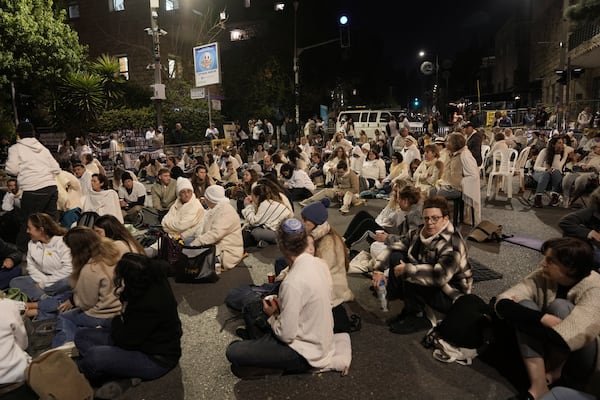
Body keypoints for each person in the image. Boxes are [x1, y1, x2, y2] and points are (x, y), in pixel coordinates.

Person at [226, 218, 335, 378]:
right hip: (322, 339)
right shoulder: (320, 264)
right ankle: (263, 356)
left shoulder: (292, 282)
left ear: (281, 245)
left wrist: (272, 315)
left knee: (233, 350)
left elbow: (287, 335)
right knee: (252, 308)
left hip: (305, 353)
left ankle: (275, 364)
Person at [495, 237, 600, 400]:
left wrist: (519, 318)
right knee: (525, 304)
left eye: (550, 260)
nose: (542, 263)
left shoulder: (595, 287)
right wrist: (541, 318)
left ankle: (557, 375)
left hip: (583, 359)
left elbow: (566, 338)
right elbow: (501, 303)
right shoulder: (544, 275)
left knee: (559, 306)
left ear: (571, 269)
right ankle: (539, 386)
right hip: (551, 343)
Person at [73, 254, 181, 397]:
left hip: (155, 359)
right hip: (139, 341)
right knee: (82, 336)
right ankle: (123, 376)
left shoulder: (149, 304)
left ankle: (84, 374)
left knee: (94, 357)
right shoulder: (152, 279)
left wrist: (119, 318)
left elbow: (126, 340)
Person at [373, 196, 472, 334]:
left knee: (413, 270)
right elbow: (396, 246)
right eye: (426, 218)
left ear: (445, 219)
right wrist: (378, 269)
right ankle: (409, 308)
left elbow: (439, 276)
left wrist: (409, 270)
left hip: (450, 292)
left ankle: (418, 317)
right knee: (397, 256)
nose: (430, 222)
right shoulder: (420, 231)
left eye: (435, 218)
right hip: (431, 280)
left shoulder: (452, 242)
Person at [52, 226, 127, 348]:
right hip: (125, 307)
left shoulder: (90, 269)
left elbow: (86, 303)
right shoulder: (118, 248)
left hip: (105, 314)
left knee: (65, 317)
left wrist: (75, 298)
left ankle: (65, 347)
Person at [6, 122, 61, 251]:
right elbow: (56, 168)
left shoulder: (15, 148)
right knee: (51, 223)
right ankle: (56, 249)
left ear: (18, 135)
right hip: (51, 187)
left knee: (29, 222)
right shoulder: (42, 148)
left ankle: (23, 253)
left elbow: (12, 169)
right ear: (33, 134)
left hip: (32, 189)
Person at [9, 213, 72, 302]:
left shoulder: (62, 242)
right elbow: (31, 267)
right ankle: (46, 299)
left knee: (67, 282)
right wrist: (41, 280)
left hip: (60, 279)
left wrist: (44, 283)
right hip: (40, 278)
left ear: (41, 230)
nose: (27, 231)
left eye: (30, 228)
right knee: (15, 282)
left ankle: (44, 298)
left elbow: (68, 270)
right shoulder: (31, 244)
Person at [343, 183, 421, 248]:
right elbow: (382, 216)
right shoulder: (397, 206)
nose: (393, 193)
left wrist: (388, 237)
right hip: (385, 228)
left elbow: (408, 238)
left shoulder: (409, 214)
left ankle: (346, 245)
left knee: (367, 223)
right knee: (362, 214)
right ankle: (344, 238)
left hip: (391, 235)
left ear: (405, 201)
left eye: (396, 192)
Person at [187, 185, 243, 271]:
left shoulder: (226, 211)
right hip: (215, 245)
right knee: (187, 241)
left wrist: (195, 244)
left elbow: (215, 234)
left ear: (210, 199)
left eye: (206, 197)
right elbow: (201, 229)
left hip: (226, 251)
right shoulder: (214, 210)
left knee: (188, 250)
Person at [430, 132, 481, 225]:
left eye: (448, 142)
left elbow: (473, 175)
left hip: (458, 188)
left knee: (441, 194)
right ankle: (435, 216)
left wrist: (460, 182)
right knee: (432, 191)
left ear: (455, 144)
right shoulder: (450, 153)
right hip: (449, 184)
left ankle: (443, 219)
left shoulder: (464, 155)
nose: (446, 143)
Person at [241, 183, 293, 248]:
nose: (252, 198)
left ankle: (267, 241)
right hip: (281, 231)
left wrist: (247, 205)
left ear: (257, 197)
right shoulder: (270, 201)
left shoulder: (265, 204)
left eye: (252, 196)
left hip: (281, 235)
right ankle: (264, 242)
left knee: (255, 231)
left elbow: (254, 221)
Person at [532, 136, 573, 208]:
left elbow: (558, 168)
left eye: (562, 143)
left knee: (557, 172)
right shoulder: (545, 151)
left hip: (555, 175)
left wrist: (558, 154)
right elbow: (536, 167)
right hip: (540, 173)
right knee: (546, 174)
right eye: (559, 143)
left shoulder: (563, 153)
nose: (562, 145)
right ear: (553, 144)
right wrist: (546, 170)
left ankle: (555, 197)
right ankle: (538, 198)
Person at [561, 141, 600, 207]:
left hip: (593, 174)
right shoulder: (589, 155)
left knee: (580, 179)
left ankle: (572, 199)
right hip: (581, 171)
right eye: (598, 147)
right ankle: (566, 200)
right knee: (567, 178)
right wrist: (583, 165)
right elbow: (578, 163)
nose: (598, 149)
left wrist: (592, 166)